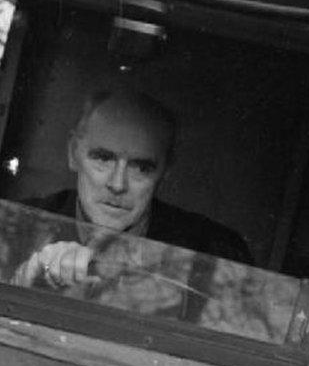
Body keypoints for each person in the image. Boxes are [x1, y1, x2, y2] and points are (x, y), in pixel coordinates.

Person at [13, 89, 251, 289]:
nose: (117, 185)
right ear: (73, 154)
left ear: (165, 171)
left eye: (141, 167)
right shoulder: (16, 226)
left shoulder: (216, 253)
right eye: (103, 159)